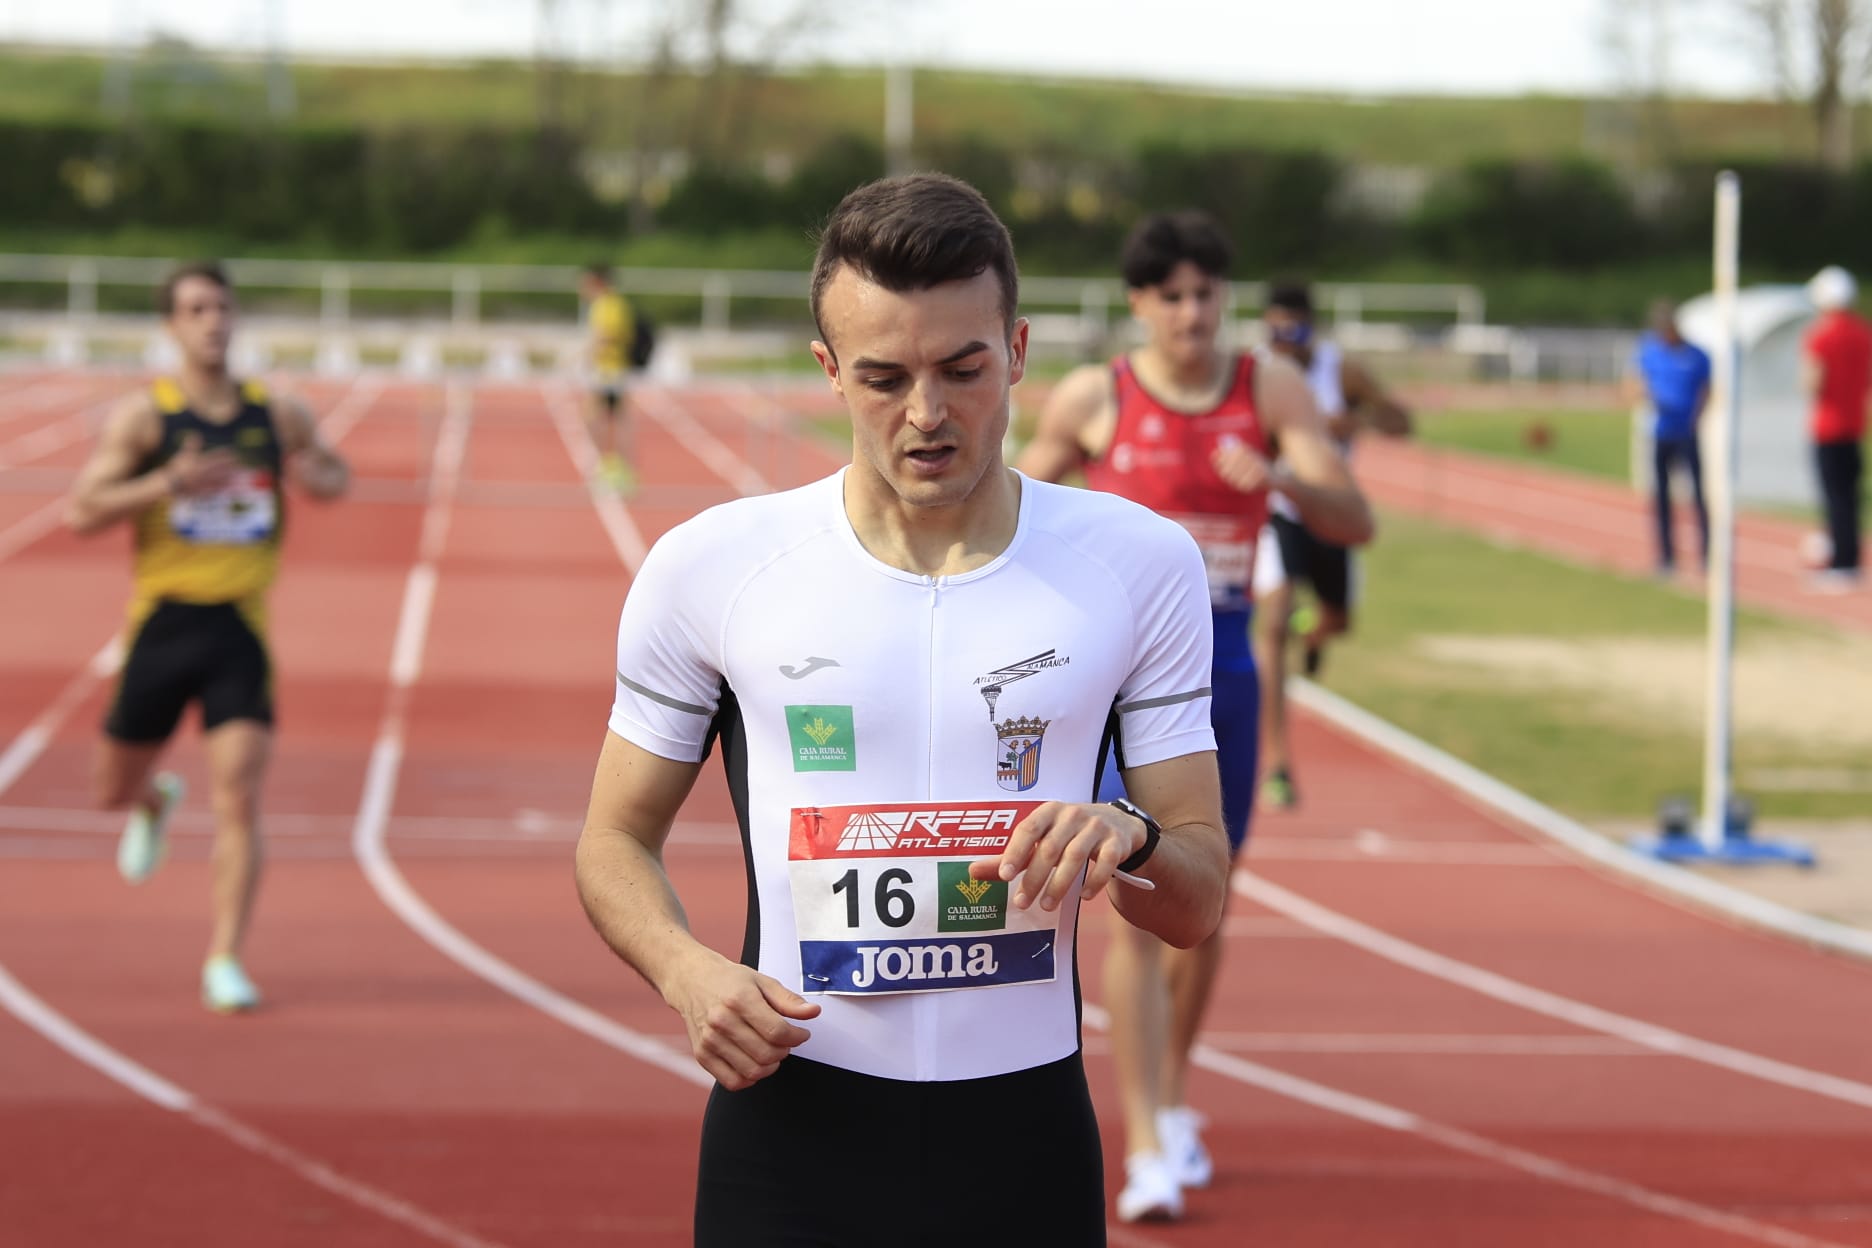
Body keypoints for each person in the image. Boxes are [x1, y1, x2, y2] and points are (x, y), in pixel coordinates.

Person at [575, 174, 1231, 1247]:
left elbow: (1198, 895)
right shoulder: (715, 568)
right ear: (829, 371)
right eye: (884, 378)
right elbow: (612, 840)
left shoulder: (1138, 565)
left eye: (962, 370)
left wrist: (1132, 835)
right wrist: (686, 970)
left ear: (1017, 353)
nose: (926, 414)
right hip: (793, 1137)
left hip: (1021, 1143)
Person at [1016, 218, 1372, 1222]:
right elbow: (1007, 500)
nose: (1192, 313)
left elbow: (1357, 519)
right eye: (1170, 296)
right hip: (1122, 675)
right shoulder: (1098, 396)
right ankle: (1142, 1141)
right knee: (1134, 904)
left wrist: (1290, 481)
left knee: (1203, 903)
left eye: (1208, 293)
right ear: (1138, 305)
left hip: (1222, 666)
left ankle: (1168, 1100)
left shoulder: (1269, 391)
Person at [64, 260, 351, 1013]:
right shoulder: (147, 419)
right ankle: (152, 801)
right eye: (195, 311)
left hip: (238, 628)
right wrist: (167, 484)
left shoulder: (273, 414)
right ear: (171, 327)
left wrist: (315, 467)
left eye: (221, 308)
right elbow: (82, 510)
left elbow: (332, 478)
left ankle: (224, 956)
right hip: (162, 622)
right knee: (107, 791)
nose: (212, 322)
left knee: (239, 796)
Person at [1254, 280, 1407, 810]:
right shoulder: (1255, 373)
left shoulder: (1342, 372)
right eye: (1272, 330)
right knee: (1273, 624)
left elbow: (1401, 420)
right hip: (1278, 510)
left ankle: (1314, 635)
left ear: (1310, 328)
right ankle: (1276, 764)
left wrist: (1356, 419)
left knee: (1337, 621)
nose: (1282, 340)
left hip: (1332, 511)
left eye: (1291, 330)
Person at [1628, 299, 1712, 577]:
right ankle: (1666, 557)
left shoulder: (1696, 354)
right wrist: (1648, 397)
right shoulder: (1650, 350)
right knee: (1661, 496)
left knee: (1698, 495)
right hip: (1662, 431)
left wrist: (1697, 415)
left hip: (1687, 432)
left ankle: (1706, 556)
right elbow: (1634, 382)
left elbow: (1707, 387)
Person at [1803, 265, 1870, 592]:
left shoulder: (1821, 335)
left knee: (1834, 498)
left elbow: (1812, 382)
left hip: (1828, 427)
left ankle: (1842, 563)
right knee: (1852, 498)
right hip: (1855, 426)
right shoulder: (1863, 333)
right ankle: (1850, 556)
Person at [579, 263, 639, 494]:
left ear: (596, 281)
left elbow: (608, 335)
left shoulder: (606, 304)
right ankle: (616, 469)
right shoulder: (614, 303)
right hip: (612, 369)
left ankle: (612, 469)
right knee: (612, 420)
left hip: (609, 370)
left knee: (599, 420)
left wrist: (583, 356)